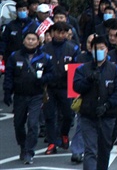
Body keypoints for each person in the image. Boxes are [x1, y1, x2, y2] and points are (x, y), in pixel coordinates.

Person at [73, 36, 117, 170]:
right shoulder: (82, 69)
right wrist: (88, 80)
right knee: (90, 149)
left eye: (102, 48)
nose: (100, 51)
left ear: (107, 50)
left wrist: (107, 105)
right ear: (91, 50)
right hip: (87, 115)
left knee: (104, 149)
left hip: (107, 116)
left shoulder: (116, 70)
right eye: (97, 49)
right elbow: (76, 87)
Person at [3, 32, 55, 164]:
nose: (31, 41)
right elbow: (8, 75)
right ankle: (22, 145)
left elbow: (52, 74)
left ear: (38, 42)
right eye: (28, 39)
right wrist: (7, 92)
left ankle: (29, 151)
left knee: (33, 124)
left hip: (36, 96)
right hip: (20, 96)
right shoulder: (15, 56)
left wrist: (43, 79)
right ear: (24, 41)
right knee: (18, 124)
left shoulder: (45, 57)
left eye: (34, 39)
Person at [42, 22, 80, 154]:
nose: (60, 35)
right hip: (49, 87)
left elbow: (77, 68)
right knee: (49, 115)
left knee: (68, 114)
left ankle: (64, 133)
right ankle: (52, 142)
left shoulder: (73, 48)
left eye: (63, 32)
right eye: (58, 32)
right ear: (52, 33)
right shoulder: (44, 49)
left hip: (66, 86)